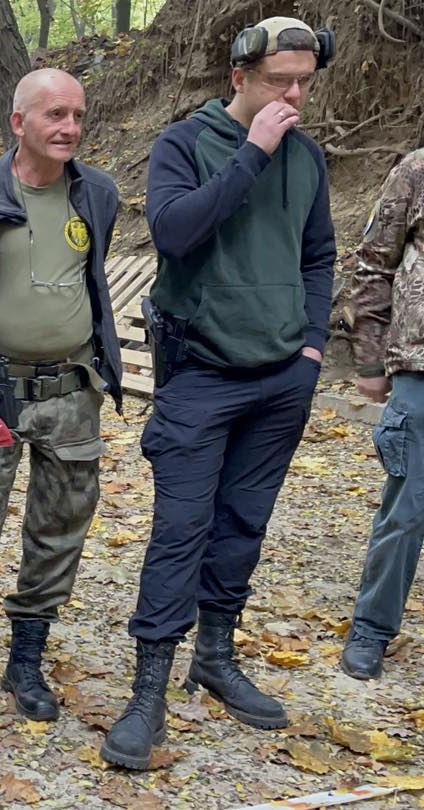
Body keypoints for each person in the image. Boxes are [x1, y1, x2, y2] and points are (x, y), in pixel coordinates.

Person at [100, 17, 336, 770]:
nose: (292, 95)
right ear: (239, 77)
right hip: (200, 373)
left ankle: (215, 656)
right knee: (180, 530)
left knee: (243, 525)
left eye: (303, 82)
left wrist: (311, 349)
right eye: (277, 81)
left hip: (281, 379)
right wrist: (253, 151)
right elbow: (173, 233)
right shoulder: (185, 143)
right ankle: (148, 691)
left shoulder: (308, 157)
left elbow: (318, 256)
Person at [0, 68, 121, 723]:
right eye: (54, 114)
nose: (69, 127)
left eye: (77, 115)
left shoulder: (97, 193)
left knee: (60, 530)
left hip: (72, 391)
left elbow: (91, 279)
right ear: (18, 122)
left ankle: (26, 660)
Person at [335, 147, 424, 680]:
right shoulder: (417, 169)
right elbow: (373, 264)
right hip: (419, 368)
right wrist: (370, 358)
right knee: (407, 510)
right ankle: (371, 628)